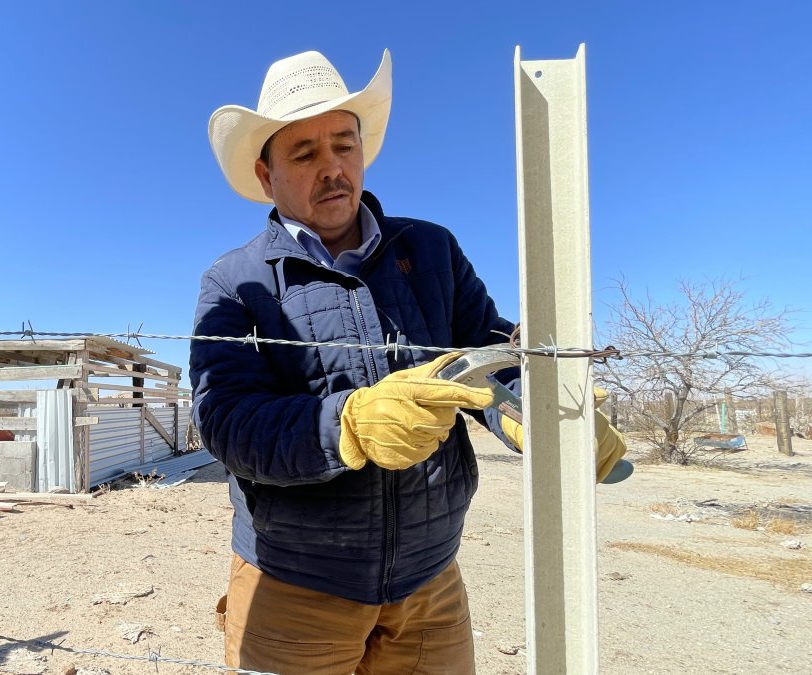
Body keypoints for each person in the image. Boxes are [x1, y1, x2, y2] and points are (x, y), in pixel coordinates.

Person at [189, 49, 626, 674]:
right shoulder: (234, 283)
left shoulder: (430, 250)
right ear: (266, 175)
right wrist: (351, 424)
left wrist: (549, 416)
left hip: (431, 583)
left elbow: (491, 357)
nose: (333, 168)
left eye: (344, 145)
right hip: (294, 583)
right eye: (306, 154)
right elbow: (227, 422)